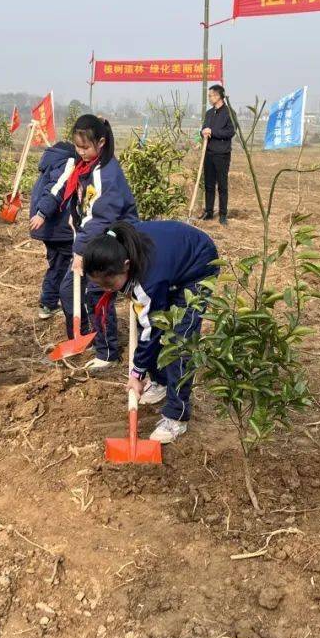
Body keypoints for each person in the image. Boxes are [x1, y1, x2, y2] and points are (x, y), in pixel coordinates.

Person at [82, 220, 218, 443]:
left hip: (198, 265)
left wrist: (136, 374)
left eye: (110, 284)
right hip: (170, 265)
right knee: (147, 320)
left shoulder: (149, 278)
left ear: (126, 265)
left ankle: (177, 415)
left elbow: (151, 331)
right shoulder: (117, 245)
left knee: (180, 341)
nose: (107, 291)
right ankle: (161, 381)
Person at [57, 114, 139, 370]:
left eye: (85, 147)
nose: (80, 152)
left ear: (101, 143)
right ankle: (85, 337)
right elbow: (89, 208)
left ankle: (107, 351)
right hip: (94, 237)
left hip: (111, 242)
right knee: (69, 291)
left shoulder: (107, 172)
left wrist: (81, 250)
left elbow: (103, 216)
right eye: (77, 146)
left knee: (97, 294)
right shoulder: (88, 167)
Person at [28, 140, 77, 319]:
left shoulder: (50, 163)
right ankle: (49, 304)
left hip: (50, 227)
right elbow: (57, 189)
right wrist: (43, 213)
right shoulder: (68, 162)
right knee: (62, 265)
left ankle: (49, 302)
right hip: (57, 225)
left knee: (56, 264)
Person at [200, 84, 235, 225]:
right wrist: (203, 132)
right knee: (208, 185)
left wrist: (213, 132)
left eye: (211, 95)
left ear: (218, 96)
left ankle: (222, 214)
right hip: (208, 153)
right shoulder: (209, 113)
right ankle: (208, 212)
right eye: (208, 95)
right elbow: (203, 129)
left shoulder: (229, 113)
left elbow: (230, 132)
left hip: (222, 154)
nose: (209, 98)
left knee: (222, 185)